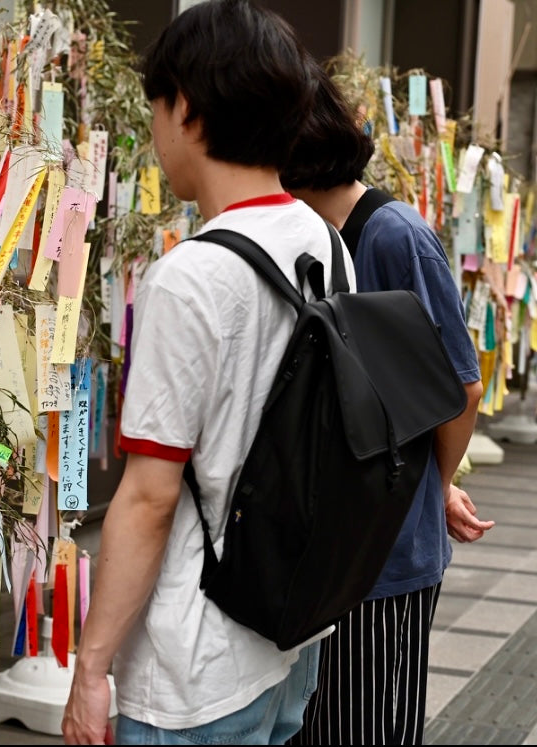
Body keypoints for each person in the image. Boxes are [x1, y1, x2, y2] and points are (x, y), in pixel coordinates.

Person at [61, 2, 356, 745]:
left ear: (184, 107)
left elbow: (148, 498)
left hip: (192, 667)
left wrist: (91, 667)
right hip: (288, 629)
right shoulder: (325, 241)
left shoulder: (189, 277)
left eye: (155, 108)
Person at [280, 68, 496, 745]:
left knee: (368, 727)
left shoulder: (393, 235)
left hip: (384, 557)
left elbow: (458, 389)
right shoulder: (310, 241)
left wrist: (436, 484)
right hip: (333, 549)